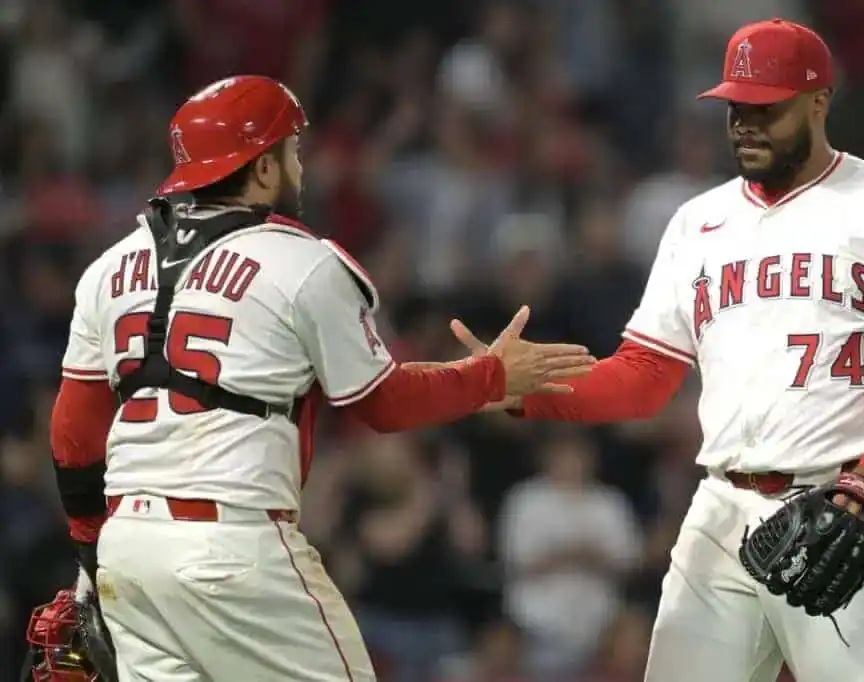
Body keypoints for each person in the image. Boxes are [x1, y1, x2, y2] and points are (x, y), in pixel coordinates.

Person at [452, 19, 864, 682]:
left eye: (767, 108)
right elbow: (645, 376)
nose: (745, 125)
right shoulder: (697, 222)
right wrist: (523, 395)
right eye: (736, 108)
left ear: (819, 103)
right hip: (723, 508)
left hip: (848, 499)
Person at [34, 75, 595, 682]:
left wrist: (91, 556)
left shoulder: (108, 268)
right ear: (262, 165)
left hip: (130, 550)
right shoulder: (300, 261)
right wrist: (488, 375)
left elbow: (74, 433)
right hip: (234, 545)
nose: (298, 164)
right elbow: (384, 402)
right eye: (290, 150)